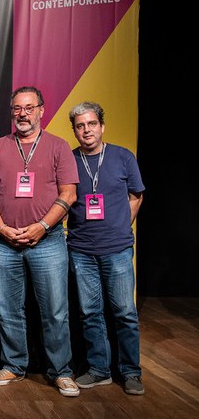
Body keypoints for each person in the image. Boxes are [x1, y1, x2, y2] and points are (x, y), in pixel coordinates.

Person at [0, 86, 80, 397]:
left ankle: (61, 371)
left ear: (41, 110)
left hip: (48, 241)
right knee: (8, 308)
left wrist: (41, 226)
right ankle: (13, 365)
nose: (22, 114)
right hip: (5, 242)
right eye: (17, 109)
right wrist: (1, 228)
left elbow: (69, 194)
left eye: (28, 108)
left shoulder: (58, 146)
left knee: (55, 310)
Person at [66, 102, 145, 395]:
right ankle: (99, 369)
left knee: (124, 311)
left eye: (91, 124)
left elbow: (136, 196)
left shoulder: (123, 156)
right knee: (90, 312)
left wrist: (122, 225)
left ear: (102, 126)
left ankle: (131, 371)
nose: (86, 130)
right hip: (81, 248)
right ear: (74, 129)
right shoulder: (69, 159)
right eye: (80, 125)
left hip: (118, 248)